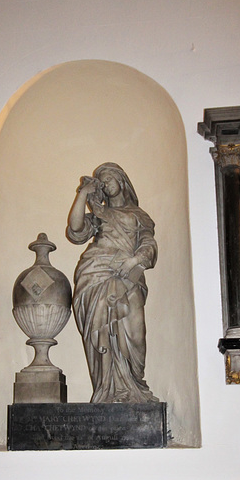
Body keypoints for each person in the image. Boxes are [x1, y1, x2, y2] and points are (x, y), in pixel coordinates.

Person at [67, 162, 158, 403]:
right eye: (102, 182)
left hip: (129, 275)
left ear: (122, 180)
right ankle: (109, 390)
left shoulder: (139, 216)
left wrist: (135, 261)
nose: (106, 184)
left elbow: (148, 243)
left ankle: (134, 385)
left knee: (135, 333)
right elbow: (76, 229)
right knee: (103, 333)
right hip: (95, 273)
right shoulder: (98, 213)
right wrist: (83, 193)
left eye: (109, 179)